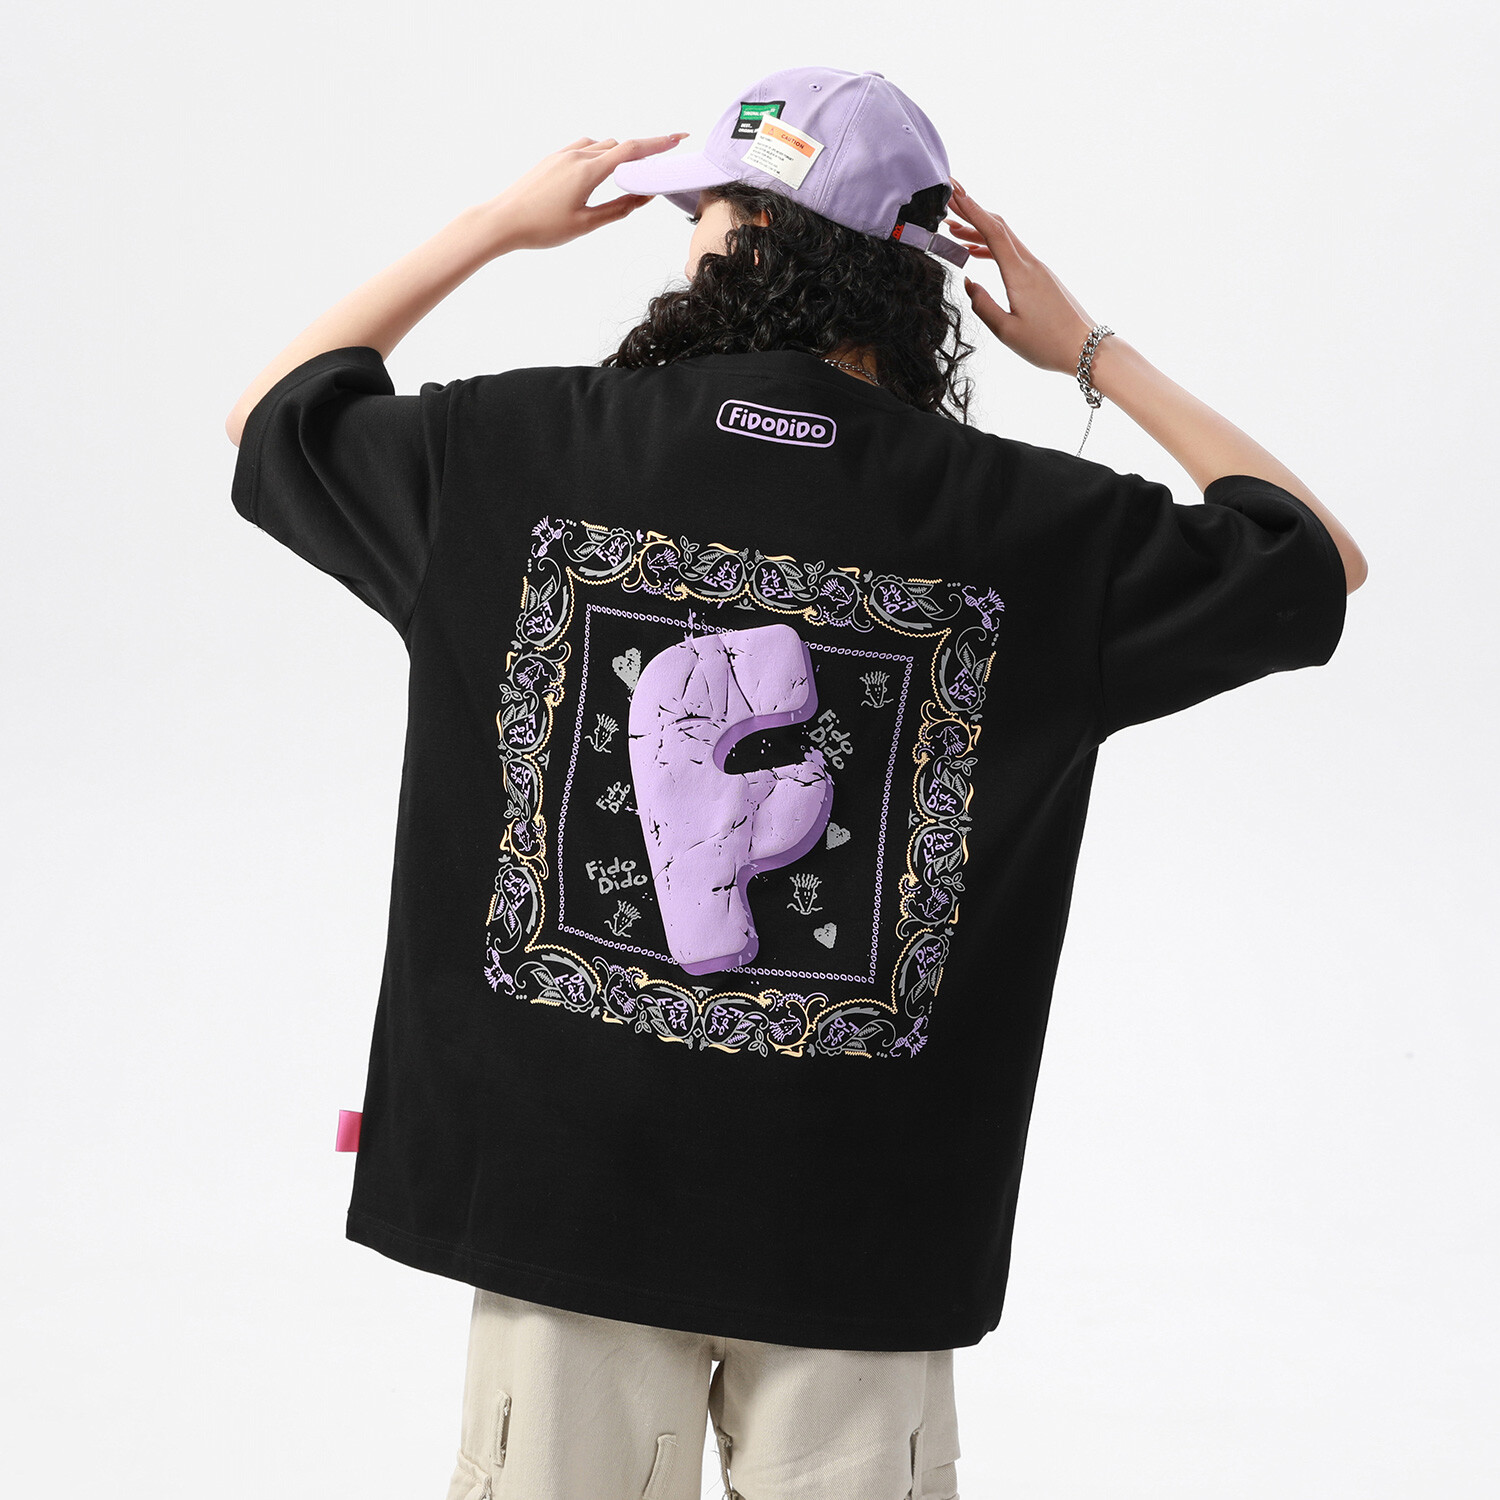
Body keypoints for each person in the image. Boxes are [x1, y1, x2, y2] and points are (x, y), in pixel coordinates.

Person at [225, 64, 1365, 1500]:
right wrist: (1089, 351)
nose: (687, 239)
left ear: (746, 236)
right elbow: (1312, 558)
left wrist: (494, 228)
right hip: (860, 1229)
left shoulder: (510, 454)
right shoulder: (1028, 527)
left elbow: (271, 416)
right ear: (909, 281)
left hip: (562, 1202)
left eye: (700, 209)